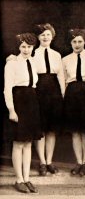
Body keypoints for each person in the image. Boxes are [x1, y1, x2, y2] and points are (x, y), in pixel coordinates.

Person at [4, 33, 42, 193]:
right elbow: (7, 89)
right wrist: (11, 110)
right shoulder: (11, 63)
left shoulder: (33, 61)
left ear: (33, 47)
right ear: (18, 47)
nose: (26, 50)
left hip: (31, 102)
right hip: (19, 103)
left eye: (29, 46)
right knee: (19, 143)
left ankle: (27, 178)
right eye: (23, 46)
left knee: (28, 143)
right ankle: (18, 179)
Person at [62, 29, 85, 176]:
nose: (77, 44)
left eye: (80, 41)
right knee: (75, 131)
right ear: (70, 42)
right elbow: (63, 81)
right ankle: (79, 162)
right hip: (72, 93)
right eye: (74, 41)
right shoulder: (65, 59)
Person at [34, 23, 65, 175]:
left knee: (51, 129)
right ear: (38, 37)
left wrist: (63, 95)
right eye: (42, 35)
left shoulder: (56, 55)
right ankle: (42, 163)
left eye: (48, 34)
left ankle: (50, 161)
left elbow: (61, 76)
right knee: (40, 128)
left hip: (54, 92)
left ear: (52, 36)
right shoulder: (32, 53)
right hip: (38, 90)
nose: (45, 37)